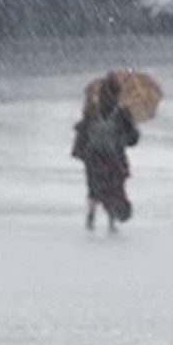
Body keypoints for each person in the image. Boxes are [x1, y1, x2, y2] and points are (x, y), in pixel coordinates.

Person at [71, 76, 138, 232]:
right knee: (110, 189)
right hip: (109, 157)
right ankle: (106, 221)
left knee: (98, 188)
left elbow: (82, 130)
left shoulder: (96, 111)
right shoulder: (118, 113)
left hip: (99, 157)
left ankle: (95, 217)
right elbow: (132, 138)